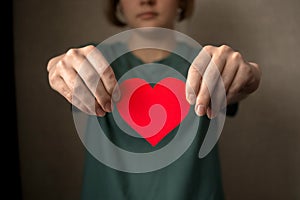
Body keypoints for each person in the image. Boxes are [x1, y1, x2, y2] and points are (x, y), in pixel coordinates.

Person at [47, 0, 261, 199]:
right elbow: (63, 69)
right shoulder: (92, 64)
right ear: (118, 3)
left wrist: (251, 75)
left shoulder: (209, 66)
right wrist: (55, 67)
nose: (146, 0)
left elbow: (240, 85)